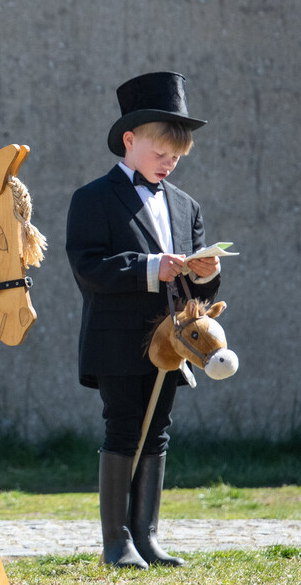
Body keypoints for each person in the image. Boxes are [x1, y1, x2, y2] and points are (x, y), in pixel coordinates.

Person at [65, 72, 221, 569]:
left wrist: (205, 275)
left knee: (158, 431)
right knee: (124, 427)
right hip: (117, 339)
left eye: (176, 157)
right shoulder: (91, 199)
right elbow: (88, 268)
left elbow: (193, 290)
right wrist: (153, 267)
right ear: (130, 141)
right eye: (160, 153)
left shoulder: (185, 205)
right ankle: (117, 541)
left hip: (170, 343)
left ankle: (146, 536)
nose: (169, 164)